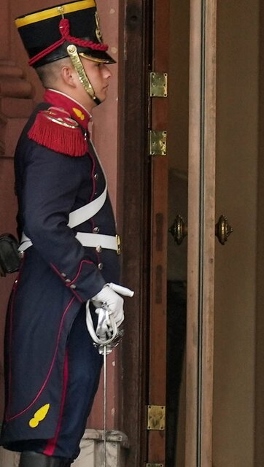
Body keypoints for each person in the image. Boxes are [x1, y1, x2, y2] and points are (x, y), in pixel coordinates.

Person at [2, 2, 131, 466]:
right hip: (61, 297)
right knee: (48, 437)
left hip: (66, 298)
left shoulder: (70, 126)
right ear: (71, 73)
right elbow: (43, 223)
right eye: (97, 66)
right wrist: (95, 287)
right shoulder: (56, 128)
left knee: (60, 436)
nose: (107, 74)